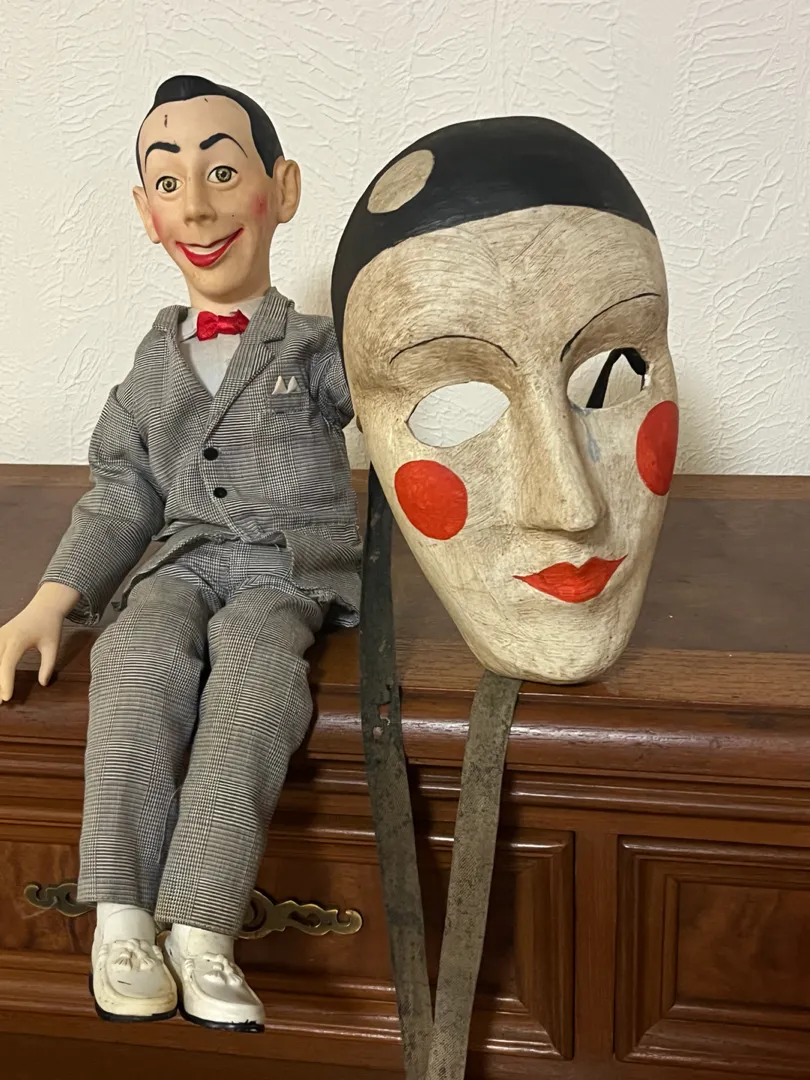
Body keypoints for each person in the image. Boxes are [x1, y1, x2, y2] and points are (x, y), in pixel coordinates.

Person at [0, 74, 360, 1033]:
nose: (196, 206)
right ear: (146, 212)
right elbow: (122, 493)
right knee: (134, 655)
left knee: (255, 676)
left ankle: (202, 928)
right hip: (181, 561)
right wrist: (52, 598)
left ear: (281, 189)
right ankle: (120, 919)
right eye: (169, 183)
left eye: (222, 172)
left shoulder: (317, 349)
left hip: (285, 569)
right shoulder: (151, 365)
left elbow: (403, 398)